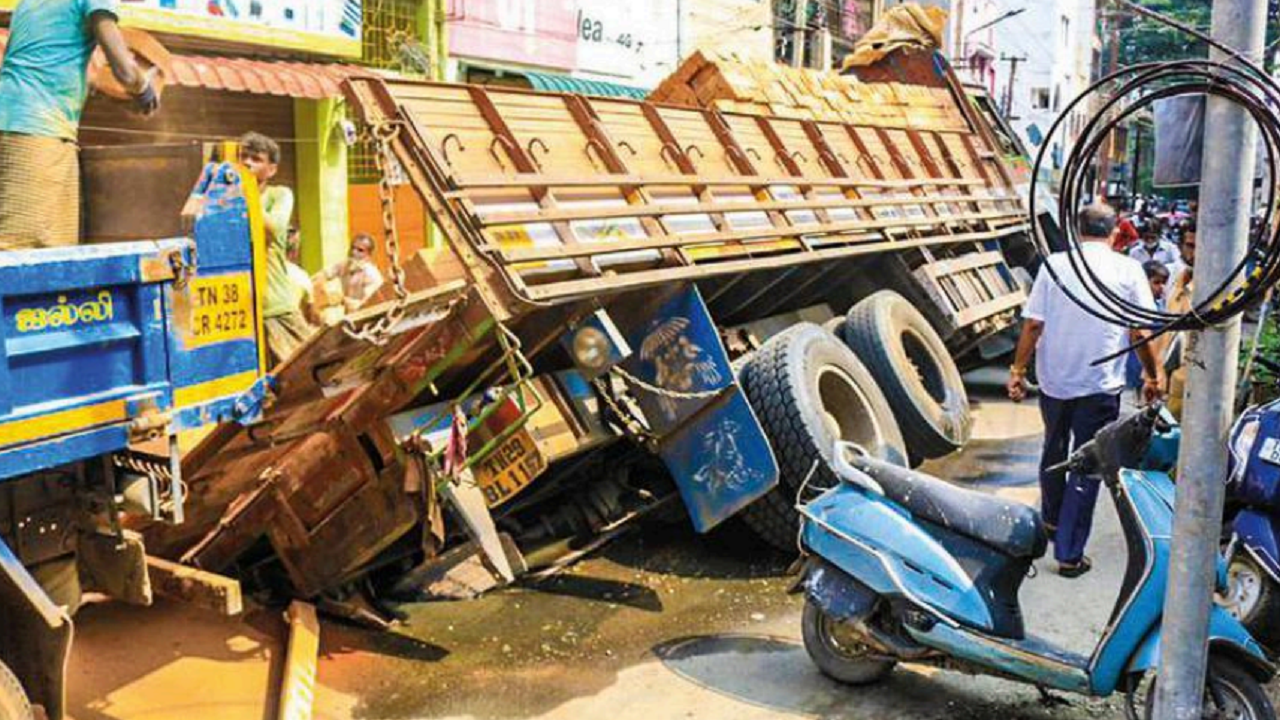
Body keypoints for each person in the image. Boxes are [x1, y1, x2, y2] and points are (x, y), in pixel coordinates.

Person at [1008, 204, 1165, 578]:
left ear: (1078, 230)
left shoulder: (1056, 265)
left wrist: (1017, 369)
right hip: (1100, 384)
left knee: (1054, 447)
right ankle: (1069, 554)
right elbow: (1140, 331)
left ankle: (1051, 520)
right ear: (1114, 233)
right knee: (1089, 463)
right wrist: (1152, 374)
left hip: (1055, 379)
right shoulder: (1127, 270)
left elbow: (1032, 325)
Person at [0, 0, 159, 249]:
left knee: (50, 244)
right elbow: (125, 70)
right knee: (23, 248)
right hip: (36, 128)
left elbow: (44, 62)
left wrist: (99, 89)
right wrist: (143, 89)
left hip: (14, 119)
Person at [240, 132, 313, 365]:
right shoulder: (226, 197)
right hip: (241, 312)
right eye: (244, 157)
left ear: (271, 169)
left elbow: (272, 228)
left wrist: (246, 192)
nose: (247, 163)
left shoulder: (278, 195)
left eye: (256, 159)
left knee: (305, 370)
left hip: (275, 308)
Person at [322, 233, 384, 313]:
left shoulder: (371, 275)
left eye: (360, 250)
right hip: (349, 316)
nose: (354, 252)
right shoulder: (345, 265)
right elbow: (323, 275)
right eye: (352, 248)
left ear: (369, 255)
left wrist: (341, 299)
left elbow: (366, 305)